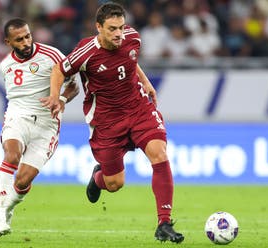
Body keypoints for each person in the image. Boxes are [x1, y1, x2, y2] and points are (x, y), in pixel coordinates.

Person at [42, 2, 184, 243]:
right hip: (107, 121)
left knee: (159, 153)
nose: (118, 33)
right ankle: (98, 177)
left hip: (138, 108)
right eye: (111, 29)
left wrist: (145, 82)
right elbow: (59, 69)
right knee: (115, 183)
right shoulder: (85, 52)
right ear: (98, 27)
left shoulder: (133, 37)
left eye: (121, 27)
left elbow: (130, 60)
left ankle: (164, 222)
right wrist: (56, 96)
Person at [0, 18, 79, 237]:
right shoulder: (5, 66)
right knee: (11, 156)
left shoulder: (52, 56)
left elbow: (73, 86)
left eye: (28, 36)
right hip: (17, 117)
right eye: (19, 39)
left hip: (46, 125)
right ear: (8, 42)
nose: (26, 42)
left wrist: (61, 99)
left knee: (22, 180)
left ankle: (9, 207)